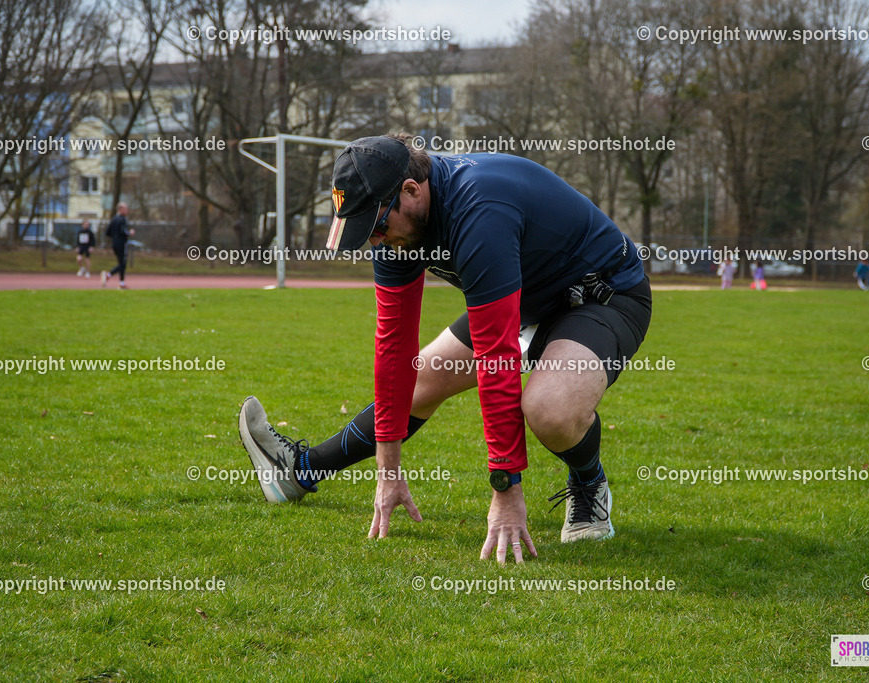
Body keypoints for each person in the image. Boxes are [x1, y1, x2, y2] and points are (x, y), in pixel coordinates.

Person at [238, 133, 651, 564]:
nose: (375, 242)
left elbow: (496, 356)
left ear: (411, 191)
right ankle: (299, 471)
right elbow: (394, 350)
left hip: (602, 297)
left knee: (550, 408)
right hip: (524, 299)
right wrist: (388, 471)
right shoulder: (397, 220)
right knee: (419, 382)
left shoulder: (480, 208)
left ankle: (588, 483)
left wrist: (506, 489)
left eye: (377, 227)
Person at [101, 202, 133, 289]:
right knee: (122, 263)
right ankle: (110, 275)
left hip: (114, 244)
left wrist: (115, 237)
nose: (127, 210)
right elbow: (123, 231)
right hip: (122, 244)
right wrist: (130, 233)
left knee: (121, 263)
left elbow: (107, 232)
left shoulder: (113, 219)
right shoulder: (122, 219)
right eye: (126, 209)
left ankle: (120, 282)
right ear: (121, 209)